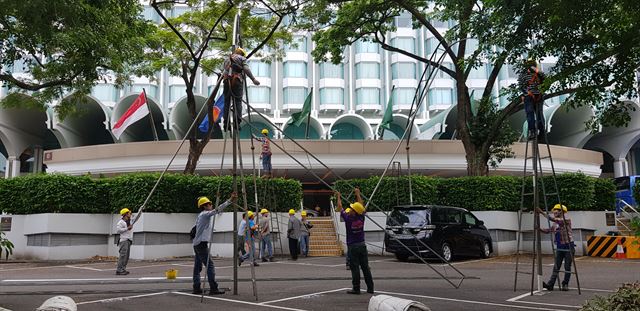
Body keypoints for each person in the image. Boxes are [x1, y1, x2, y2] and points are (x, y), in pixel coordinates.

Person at [192, 192, 236, 295]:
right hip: (201, 244)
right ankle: (213, 288)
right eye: (209, 204)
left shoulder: (201, 215)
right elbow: (217, 210)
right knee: (210, 265)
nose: (211, 205)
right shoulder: (205, 214)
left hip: (197, 243)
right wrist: (230, 200)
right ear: (205, 206)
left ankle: (196, 287)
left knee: (197, 267)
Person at [336, 188, 374, 295]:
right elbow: (361, 206)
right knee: (365, 267)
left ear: (354, 211)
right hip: (362, 245)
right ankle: (370, 288)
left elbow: (340, 207)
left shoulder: (348, 219)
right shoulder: (361, 217)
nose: (350, 209)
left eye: (352, 208)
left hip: (353, 246)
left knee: (355, 268)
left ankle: (356, 288)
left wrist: (338, 196)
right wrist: (358, 194)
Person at [537, 204, 575, 292]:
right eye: (554, 210)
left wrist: (542, 213)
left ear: (562, 212)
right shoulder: (555, 224)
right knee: (556, 266)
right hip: (559, 246)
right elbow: (549, 230)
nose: (554, 212)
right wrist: (539, 229)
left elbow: (553, 219)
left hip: (568, 245)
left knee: (567, 266)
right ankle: (550, 284)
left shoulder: (566, 220)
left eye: (556, 210)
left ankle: (565, 284)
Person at [222, 47, 260, 132]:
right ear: (242, 54)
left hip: (227, 81)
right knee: (238, 102)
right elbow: (246, 69)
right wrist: (253, 79)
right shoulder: (242, 58)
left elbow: (224, 71)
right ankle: (237, 123)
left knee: (227, 102)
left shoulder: (227, 59)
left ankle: (225, 124)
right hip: (237, 81)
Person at [518, 58, 546, 140]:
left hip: (539, 96)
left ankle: (541, 131)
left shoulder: (539, 74)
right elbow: (521, 85)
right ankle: (532, 131)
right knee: (530, 113)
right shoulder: (523, 74)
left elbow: (546, 80)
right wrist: (527, 92)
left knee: (539, 114)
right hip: (529, 96)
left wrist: (538, 71)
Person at [115, 208, 134, 275]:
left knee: (126, 256)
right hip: (124, 241)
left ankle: (123, 269)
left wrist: (141, 209)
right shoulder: (120, 222)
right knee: (123, 255)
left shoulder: (130, 221)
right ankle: (119, 270)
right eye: (129, 213)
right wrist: (127, 228)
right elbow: (118, 230)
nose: (130, 214)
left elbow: (137, 217)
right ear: (125, 214)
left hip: (128, 240)